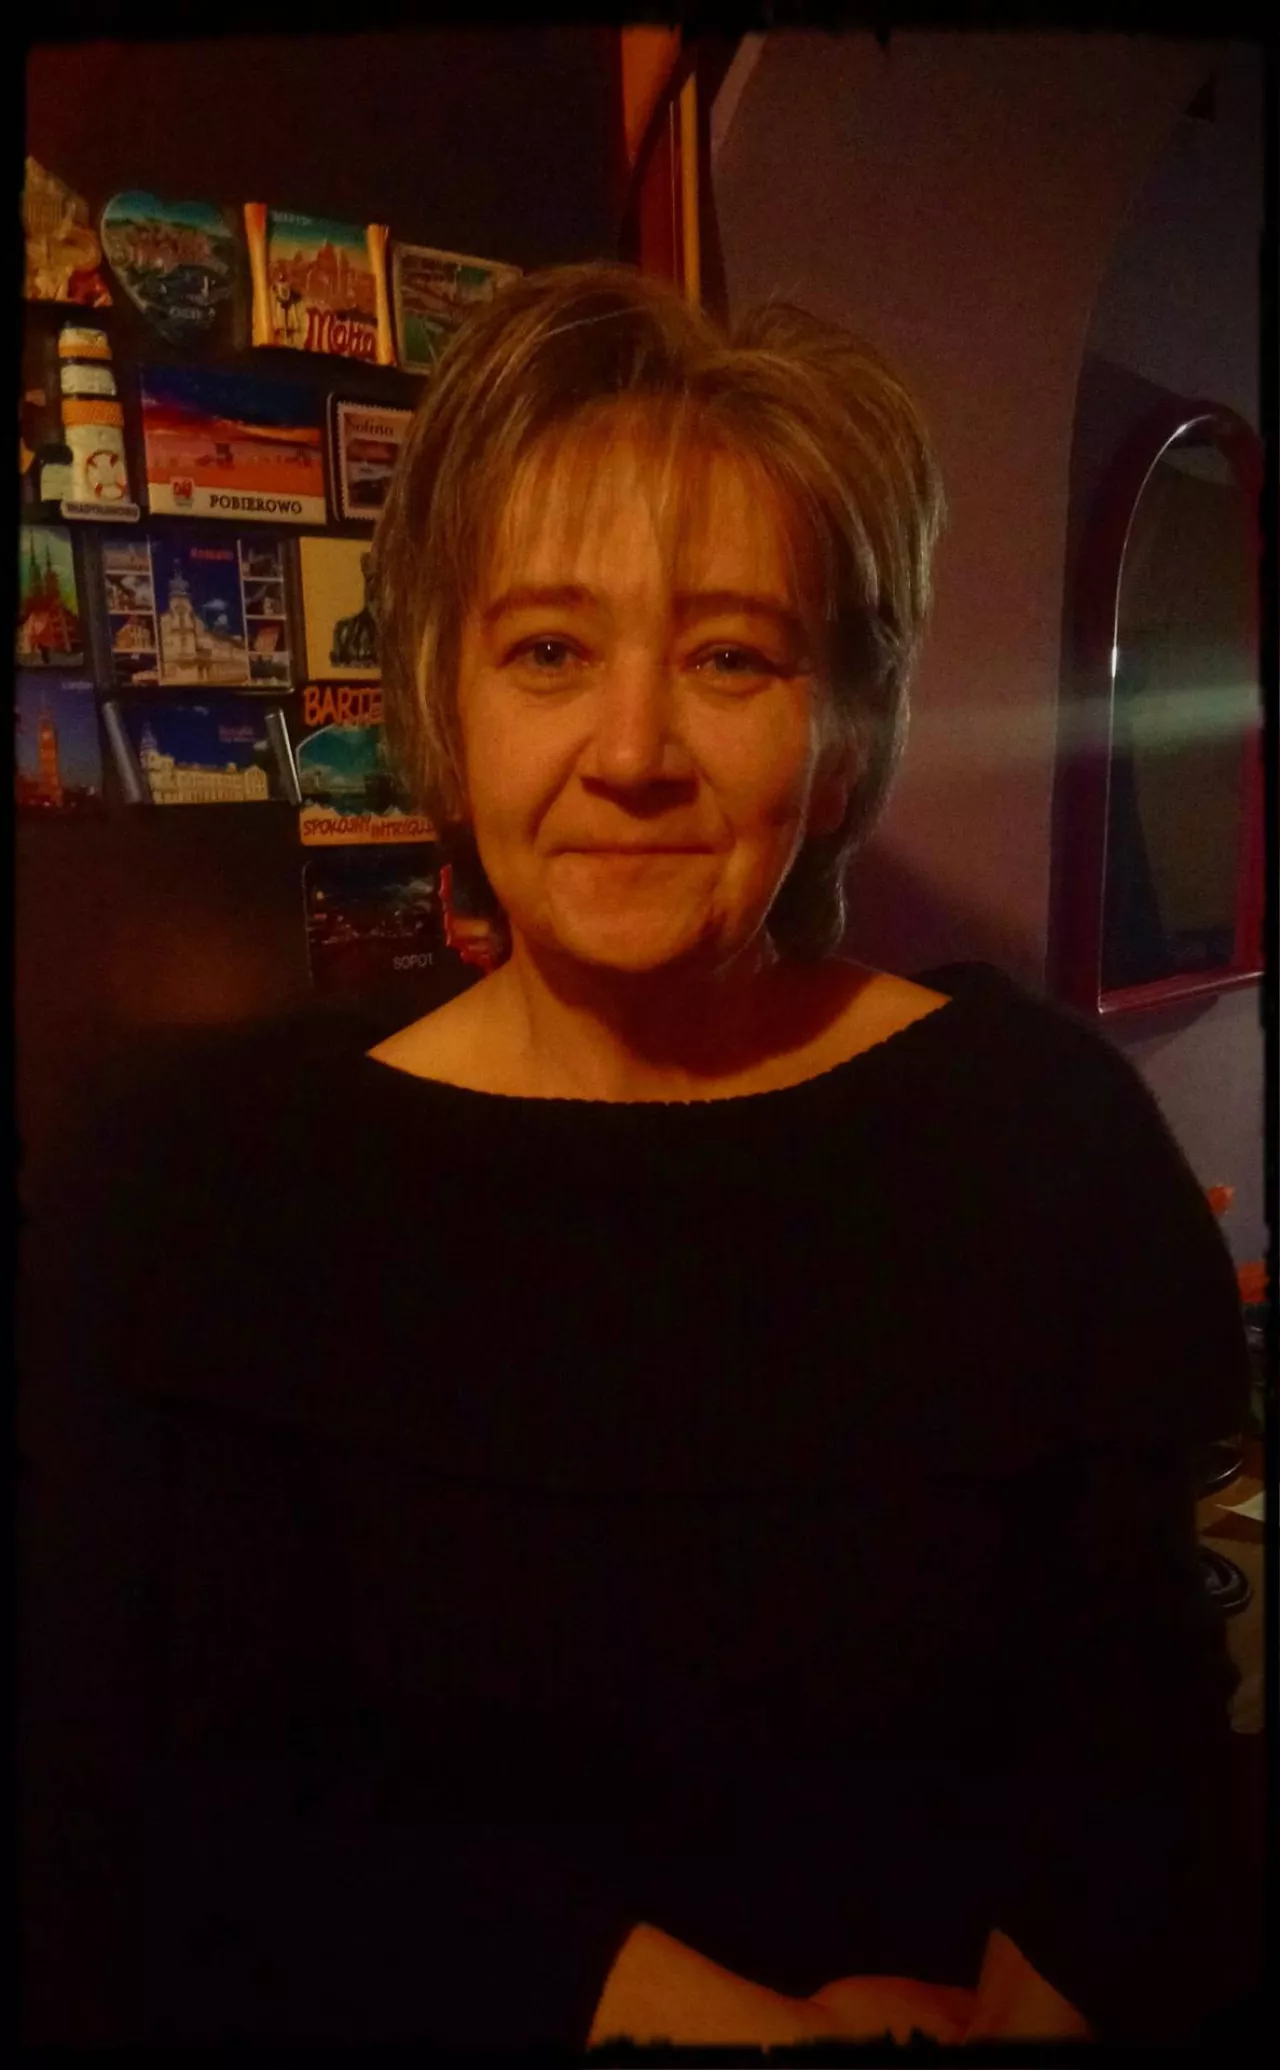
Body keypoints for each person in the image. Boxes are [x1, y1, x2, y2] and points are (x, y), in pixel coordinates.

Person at [21, 263, 1256, 2051]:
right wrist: (731, 2028)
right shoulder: (199, 1191)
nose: (632, 752)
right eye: (548, 650)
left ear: (838, 735)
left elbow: (1137, 1744)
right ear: (445, 701)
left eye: (730, 656)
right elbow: (181, 1824)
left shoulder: (1045, 1140)